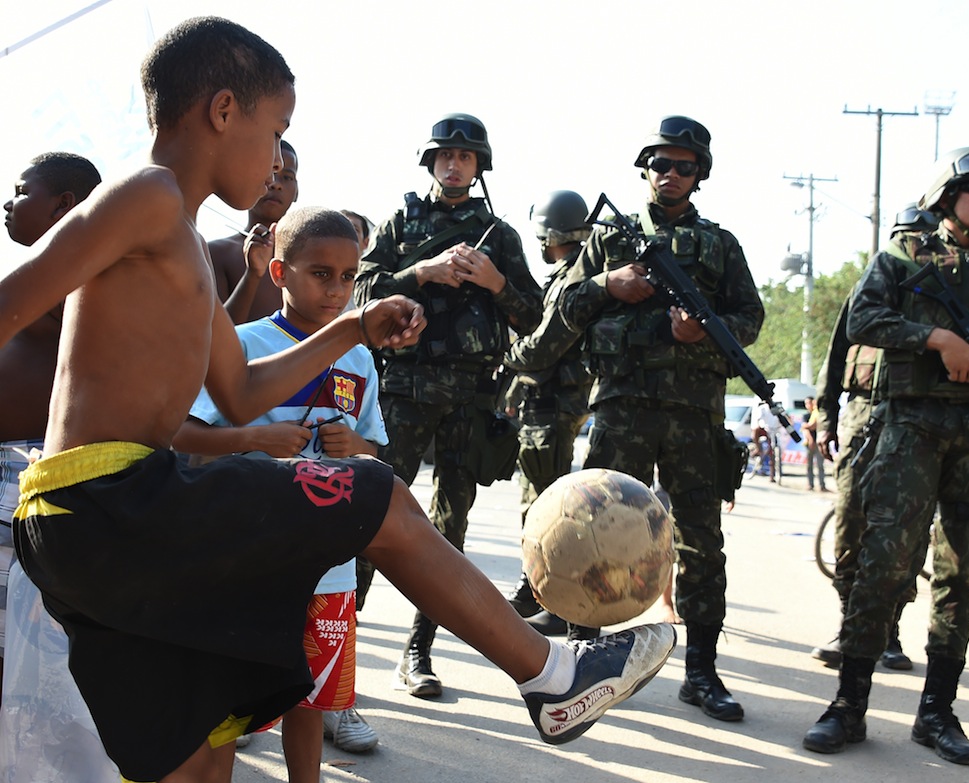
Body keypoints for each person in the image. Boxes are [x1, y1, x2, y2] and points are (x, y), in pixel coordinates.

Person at [1, 18, 675, 781]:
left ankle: (552, 676)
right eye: (276, 128)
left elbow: (241, 386)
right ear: (224, 111)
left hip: (112, 516)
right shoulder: (147, 195)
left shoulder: (180, 237)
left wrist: (354, 324)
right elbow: (12, 301)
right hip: (106, 499)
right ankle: (553, 675)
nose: (275, 158)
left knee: (197, 748)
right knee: (377, 497)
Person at [803, 147, 969, 764]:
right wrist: (936, 337)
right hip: (911, 428)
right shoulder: (905, 256)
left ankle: (937, 713)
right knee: (884, 562)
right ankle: (848, 706)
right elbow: (862, 318)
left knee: (960, 573)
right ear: (947, 195)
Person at [558, 116, 764, 722]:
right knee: (598, 530)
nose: (670, 175)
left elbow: (749, 320)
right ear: (644, 168)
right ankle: (583, 654)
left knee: (701, 542)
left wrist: (702, 332)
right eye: (660, 164)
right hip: (621, 404)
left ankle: (701, 669)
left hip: (693, 412)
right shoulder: (607, 238)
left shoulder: (721, 246)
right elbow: (565, 306)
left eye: (684, 166)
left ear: (700, 176)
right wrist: (606, 283)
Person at [175, 207, 383, 770]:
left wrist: (351, 447)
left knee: (310, 699)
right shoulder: (241, 344)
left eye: (348, 276)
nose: (337, 290)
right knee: (230, 705)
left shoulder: (360, 356)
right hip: (246, 557)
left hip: (329, 564)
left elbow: (375, 450)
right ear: (279, 273)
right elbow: (181, 434)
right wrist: (253, 437)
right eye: (321, 273)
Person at [352, 113, 543, 698]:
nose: (455, 164)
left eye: (466, 156)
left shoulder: (498, 235)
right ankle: (338, 644)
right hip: (405, 391)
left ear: (479, 165)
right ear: (430, 161)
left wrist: (493, 282)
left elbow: (534, 315)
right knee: (364, 511)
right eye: (446, 155)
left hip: (470, 394)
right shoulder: (401, 222)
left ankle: (419, 651)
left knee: (447, 527)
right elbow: (358, 291)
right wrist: (420, 273)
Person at [0, 152, 118, 781]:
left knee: (34, 657)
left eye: (21, 191)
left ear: (66, 207)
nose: (8, 202)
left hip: (31, 480)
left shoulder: (71, 283)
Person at [808, 205, 939, 674]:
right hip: (861, 417)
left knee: (904, 534)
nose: (913, 247)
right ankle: (849, 625)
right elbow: (834, 357)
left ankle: (890, 631)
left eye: (922, 239)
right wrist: (825, 419)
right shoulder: (868, 291)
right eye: (906, 238)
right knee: (850, 525)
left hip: (912, 418)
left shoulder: (939, 301)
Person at [501, 190, 593, 636]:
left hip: (557, 404)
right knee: (535, 502)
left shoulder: (575, 276)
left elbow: (544, 345)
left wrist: (510, 357)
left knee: (551, 508)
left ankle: (557, 601)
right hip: (548, 401)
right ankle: (536, 588)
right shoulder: (566, 273)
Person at [208, 138, 299, 323]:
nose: (275, 184)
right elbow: (219, 335)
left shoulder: (309, 254)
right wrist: (252, 275)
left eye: (287, 177)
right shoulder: (218, 253)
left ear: (297, 191)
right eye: (267, 173)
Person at [801, 396, 828, 492]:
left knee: (820, 464)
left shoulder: (818, 414)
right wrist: (810, 439)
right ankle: (810, 484)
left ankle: (822, 485)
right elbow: (805, 428)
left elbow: (812, 426)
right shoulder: (805, 416)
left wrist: (808, 426)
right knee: (809, 465)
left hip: (818, 441)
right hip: (809, 443)